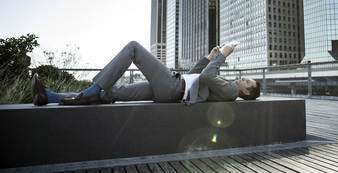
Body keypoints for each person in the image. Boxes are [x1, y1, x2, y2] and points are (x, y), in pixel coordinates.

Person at [31, 41, 260, 106]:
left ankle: (93, 90)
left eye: (247, 81)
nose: (243, 79)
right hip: (173, 89)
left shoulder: (231, 91)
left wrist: (224, 55)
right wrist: (210, 57)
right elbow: (195, 76)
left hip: (172, 87)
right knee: (113, 93)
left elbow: (209, 76)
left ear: (247, 91)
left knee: (133, 48)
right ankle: (49, 97)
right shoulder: (227, 87)